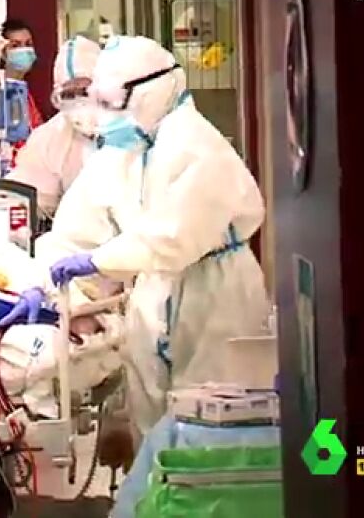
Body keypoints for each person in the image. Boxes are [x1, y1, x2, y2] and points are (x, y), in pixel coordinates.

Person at [42, 35, 272, 437]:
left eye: (111, 101)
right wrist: (46, 283)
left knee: (211, 423)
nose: (102, 114)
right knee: (150, 423)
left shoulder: (195, 146)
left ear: (151, 91)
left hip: (215, 295)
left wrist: (97, 261)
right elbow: (78, 225)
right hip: (155, 293)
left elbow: (172, 238)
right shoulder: (127, 150)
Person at [6, 35, 103, 220]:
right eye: (69, 94)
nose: (79, 102)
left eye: (85, 91)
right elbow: (31, 198)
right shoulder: (49, 139)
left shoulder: (130, 130)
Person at [1, 18, 44, 129]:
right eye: (15, 45)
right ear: (2, 52)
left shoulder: (24, 91)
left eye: (28, 44)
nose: (24, 50)